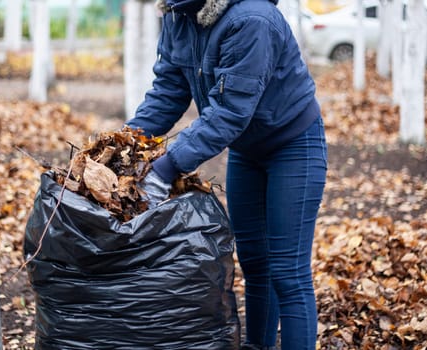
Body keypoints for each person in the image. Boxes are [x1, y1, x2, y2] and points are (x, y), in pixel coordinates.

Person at [125, 0, 327, 349]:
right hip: (247, 151)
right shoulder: (180, 13)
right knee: (254, 263)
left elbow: (231, 111)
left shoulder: (252, 19)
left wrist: (167, 167)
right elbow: (169, 90)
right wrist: (125, 146)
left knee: (288, 273)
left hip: (293, 145)